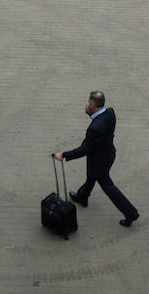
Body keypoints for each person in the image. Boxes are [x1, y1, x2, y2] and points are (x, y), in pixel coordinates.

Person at [53, 91, 140, 228]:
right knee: (91, 176)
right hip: (109, 153)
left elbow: (84, 149)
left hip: (99, 161)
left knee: (107, 186)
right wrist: (90, 112)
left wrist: (63, 155)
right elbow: (99, 119)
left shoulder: (94, 129)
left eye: (89, 103)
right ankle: (82, 196)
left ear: (93, 105)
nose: (87, 105)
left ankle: (130, 213)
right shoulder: (110, 112)